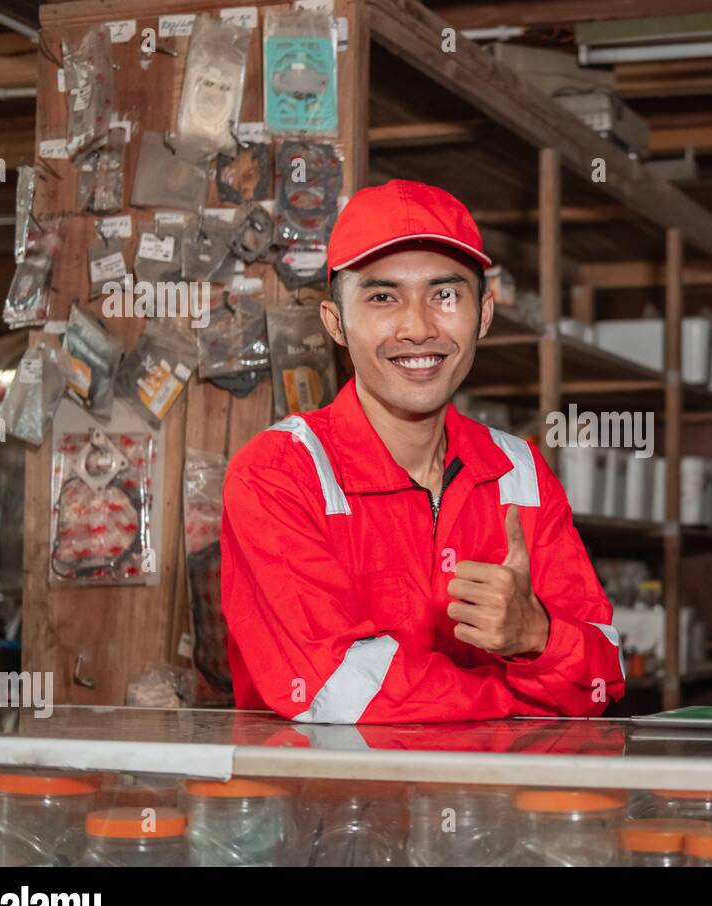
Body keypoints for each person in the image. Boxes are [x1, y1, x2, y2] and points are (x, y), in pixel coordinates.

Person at [220, 180, 625, 723]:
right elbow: (340, 691)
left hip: (492, 805)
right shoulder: (278, 474)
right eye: (383, 297)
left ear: (483, 315)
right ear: (335, 324)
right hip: (326, 806)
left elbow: (604, 677)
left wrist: (534, 633)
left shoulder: (519, 470)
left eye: (446, 294)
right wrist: (522, 694)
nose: (418, 328)